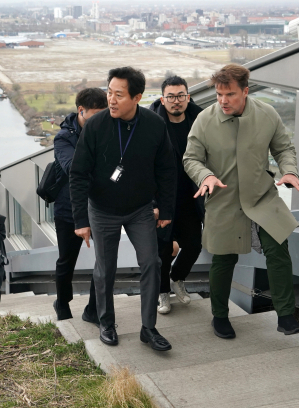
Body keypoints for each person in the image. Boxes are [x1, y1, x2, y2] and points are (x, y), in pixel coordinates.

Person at [183, 64, 299, 339]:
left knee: (278, 249)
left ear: (245, 91)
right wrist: (205, 176)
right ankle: (219, 317)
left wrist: (289, 171)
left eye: (229, 94)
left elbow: (283, 148)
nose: (223, 100)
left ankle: (286, 315)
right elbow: (190, 158)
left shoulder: (267, 114)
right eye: (219, 94)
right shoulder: (205, 120)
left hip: (262, 196)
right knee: (224, 258)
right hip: (224, 199)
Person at [70, 66, 177, 351]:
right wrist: (81, 219)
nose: (111, 100)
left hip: (140, 208)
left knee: (151, 263)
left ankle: (148, 328)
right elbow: (78, 174)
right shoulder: (95, 126)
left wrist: (165, 210)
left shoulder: (154, 125)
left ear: (137, 97)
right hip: (102, 209)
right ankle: (106, 322)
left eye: (119, 95)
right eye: (109, 93)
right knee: (106, 269)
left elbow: (167, 169)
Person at [149, 76, 204, 314]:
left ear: (188, 97)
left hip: (191, 197)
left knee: (194, 245)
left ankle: (177, 278)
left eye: (181, 95)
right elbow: (144, 167)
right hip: (163, 199)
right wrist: (152, 203)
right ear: (163, 99)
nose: (176, 101)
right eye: (170, 96)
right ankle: (162, 293)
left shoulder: (201, 121)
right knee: (162, 249)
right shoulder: (151, 125)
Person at [52, 87, 107, 323]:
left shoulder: (108, 130)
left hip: (100, 207)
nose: (100, 122)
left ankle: (93, 309)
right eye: (95, 116)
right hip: (69, 210)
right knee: (67, 260)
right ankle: (62, 302)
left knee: (104, 260)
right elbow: (73, 169)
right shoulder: (64, 137)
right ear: (80, 111)